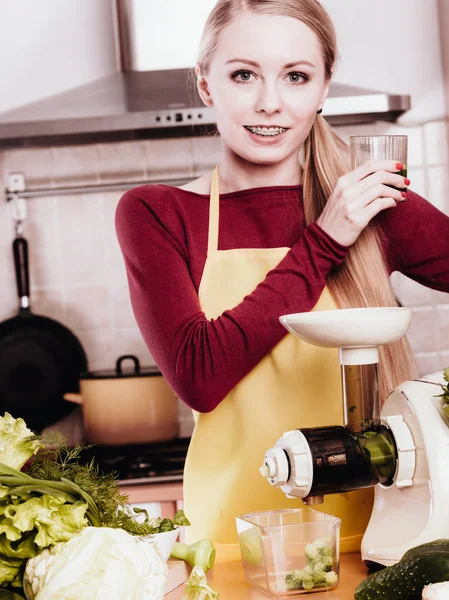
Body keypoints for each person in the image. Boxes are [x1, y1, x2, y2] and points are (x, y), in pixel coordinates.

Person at [115, 0, 449, 552]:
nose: (269, 103)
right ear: (206, 86)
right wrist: (325, 240)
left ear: (323, 89)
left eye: (296, 77)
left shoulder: (372, 202)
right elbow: (200, 374)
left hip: (386, 542)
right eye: (243, 75)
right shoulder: (156, 213)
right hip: (236, 549)